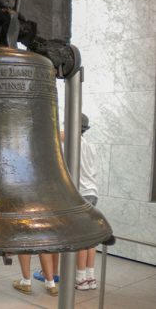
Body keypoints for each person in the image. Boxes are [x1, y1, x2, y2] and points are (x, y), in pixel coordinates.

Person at [75, 113, 99, 290]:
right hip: (92, 192)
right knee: (90, 238)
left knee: (81, 238)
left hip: (80, 194)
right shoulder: (90, 145)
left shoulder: (72, 143)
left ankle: (80, 278)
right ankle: (90, 277)